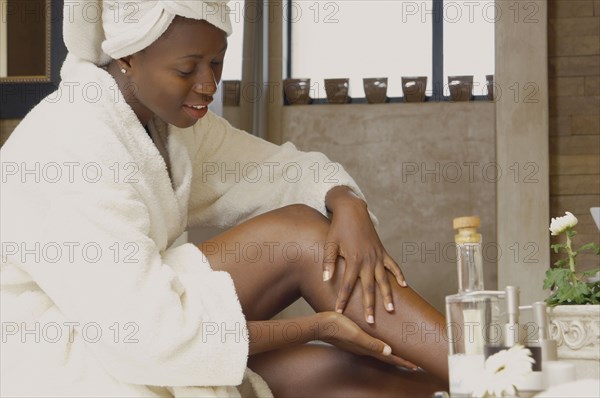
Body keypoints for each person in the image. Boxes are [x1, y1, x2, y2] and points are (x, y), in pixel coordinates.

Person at [0, 1, 448, 396]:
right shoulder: (74, 146)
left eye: (217, 62)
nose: (208, 85)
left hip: (155, 338)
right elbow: (147, 337)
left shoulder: (164, 123)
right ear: (128, 55)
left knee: (348, 373)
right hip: (74, 358)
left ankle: (495, 380)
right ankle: (486, 366)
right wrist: (317, 326)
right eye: (186, 68)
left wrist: (348, 202)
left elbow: (281, 172)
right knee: (298, 237)